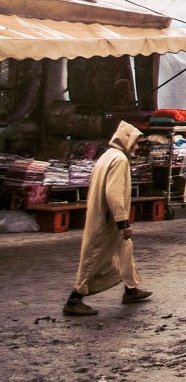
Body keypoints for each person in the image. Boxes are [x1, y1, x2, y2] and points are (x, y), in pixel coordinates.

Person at [62, 121, 153, 316]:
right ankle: (74, 299)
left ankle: (131, 289)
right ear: (127, 140)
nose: (137, 147)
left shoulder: (108, 156)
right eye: (136, 143)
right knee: (95, 257)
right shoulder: (119, 159)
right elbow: (113, 193)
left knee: (125, 250)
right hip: (107, 220)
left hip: (105, 216)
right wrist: (123, 221)